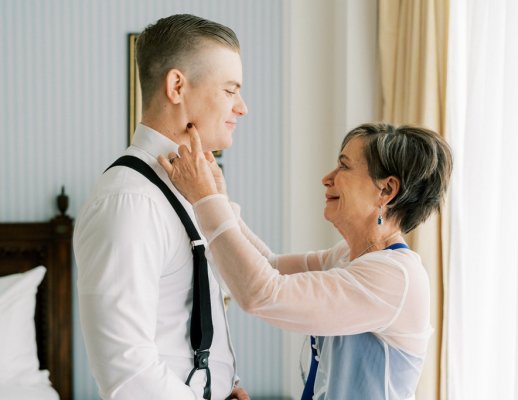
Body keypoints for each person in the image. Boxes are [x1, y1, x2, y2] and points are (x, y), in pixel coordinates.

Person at [159, 122, 453, 399]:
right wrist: (219, 198)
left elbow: (262, 293)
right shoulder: (347, 256)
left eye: (344, 166)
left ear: (386, 190)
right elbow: (270, 266)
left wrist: (204, 199)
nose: (327, 178)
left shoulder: (396, 278)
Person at [74, 14, 249, 400]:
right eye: (230, 90)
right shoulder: (130, 202)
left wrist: (223, 384)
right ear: (177, 86)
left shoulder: (189, 187)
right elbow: (127, 370)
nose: (242, 108)